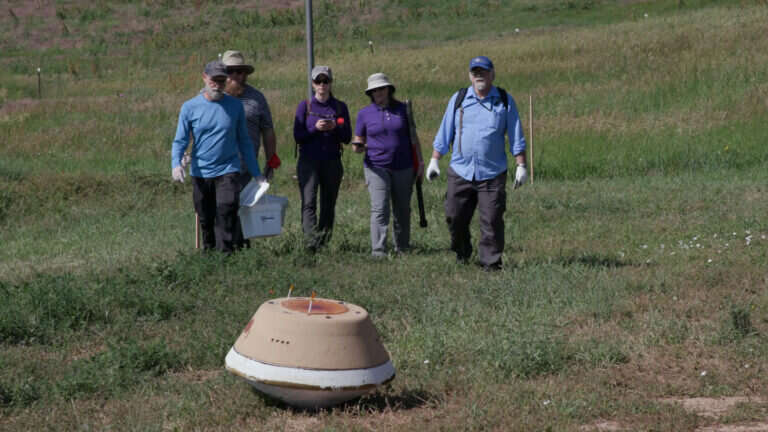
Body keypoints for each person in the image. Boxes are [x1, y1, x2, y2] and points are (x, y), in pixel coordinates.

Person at [426, 56, 528, 271]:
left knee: (491, 220)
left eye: (484, 71)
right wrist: (435, 159)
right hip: (461, 170)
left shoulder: (504, 100)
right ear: (470, 76)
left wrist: (521, 165)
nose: (479, 75)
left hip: (492, 172)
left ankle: (490, 264)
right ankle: (462, 251)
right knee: (454, 217)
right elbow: (445, 131)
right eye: (475, 72)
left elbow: (516, 133)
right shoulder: (459, 99)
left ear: (492, 74)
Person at [171, 60, 265, 254]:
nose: (218, 85)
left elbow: (245, 141)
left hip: (228, 169)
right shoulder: (190, 107)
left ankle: (226, 255)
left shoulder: (235, 107)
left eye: (222, 81)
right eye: (214, 80)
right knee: (205, 216)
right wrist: (176, 164)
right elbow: (180, 140)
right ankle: (209, 253)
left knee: (227, 207)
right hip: (201, 171)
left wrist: (257, 173)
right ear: (205, 78)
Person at [352, 73, 424, 257]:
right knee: (380, 208)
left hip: (404, 166)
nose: (378, 92)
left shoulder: (403, 109)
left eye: (381, 88)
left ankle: (402, 247)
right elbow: (358, 139)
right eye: (374, 90)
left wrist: (420, 162)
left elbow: (414, 137)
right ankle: (378, 251)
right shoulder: (364, 114)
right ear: (370, 93)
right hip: (376, 167)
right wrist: (358, 147)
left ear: (389, 89)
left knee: (402, 209)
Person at [221, 50, 280, 249]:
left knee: (243, 212)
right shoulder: (212, 97)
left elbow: (268, 131)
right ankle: (220, 252)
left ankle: (241, 251)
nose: (236, 76)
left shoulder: (256, 98)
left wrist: (270, 161)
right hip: (218, 167)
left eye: (240, 71)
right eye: (231, 71)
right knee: (222, 210)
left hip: (247, 167)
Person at [292, 66, 352, 251]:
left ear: (331, 83)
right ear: (312, 84)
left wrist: (335, 127)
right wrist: (314, 129)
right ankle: (311, 243)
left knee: (328, 203)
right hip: (309, 161)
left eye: (325, 81)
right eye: (318, 81)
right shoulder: (305, 106)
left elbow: (347, 137)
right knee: (309, 202)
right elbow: (298, 135)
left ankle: (323, 243)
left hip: (332, 161)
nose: (322, 85)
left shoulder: (340, 107)